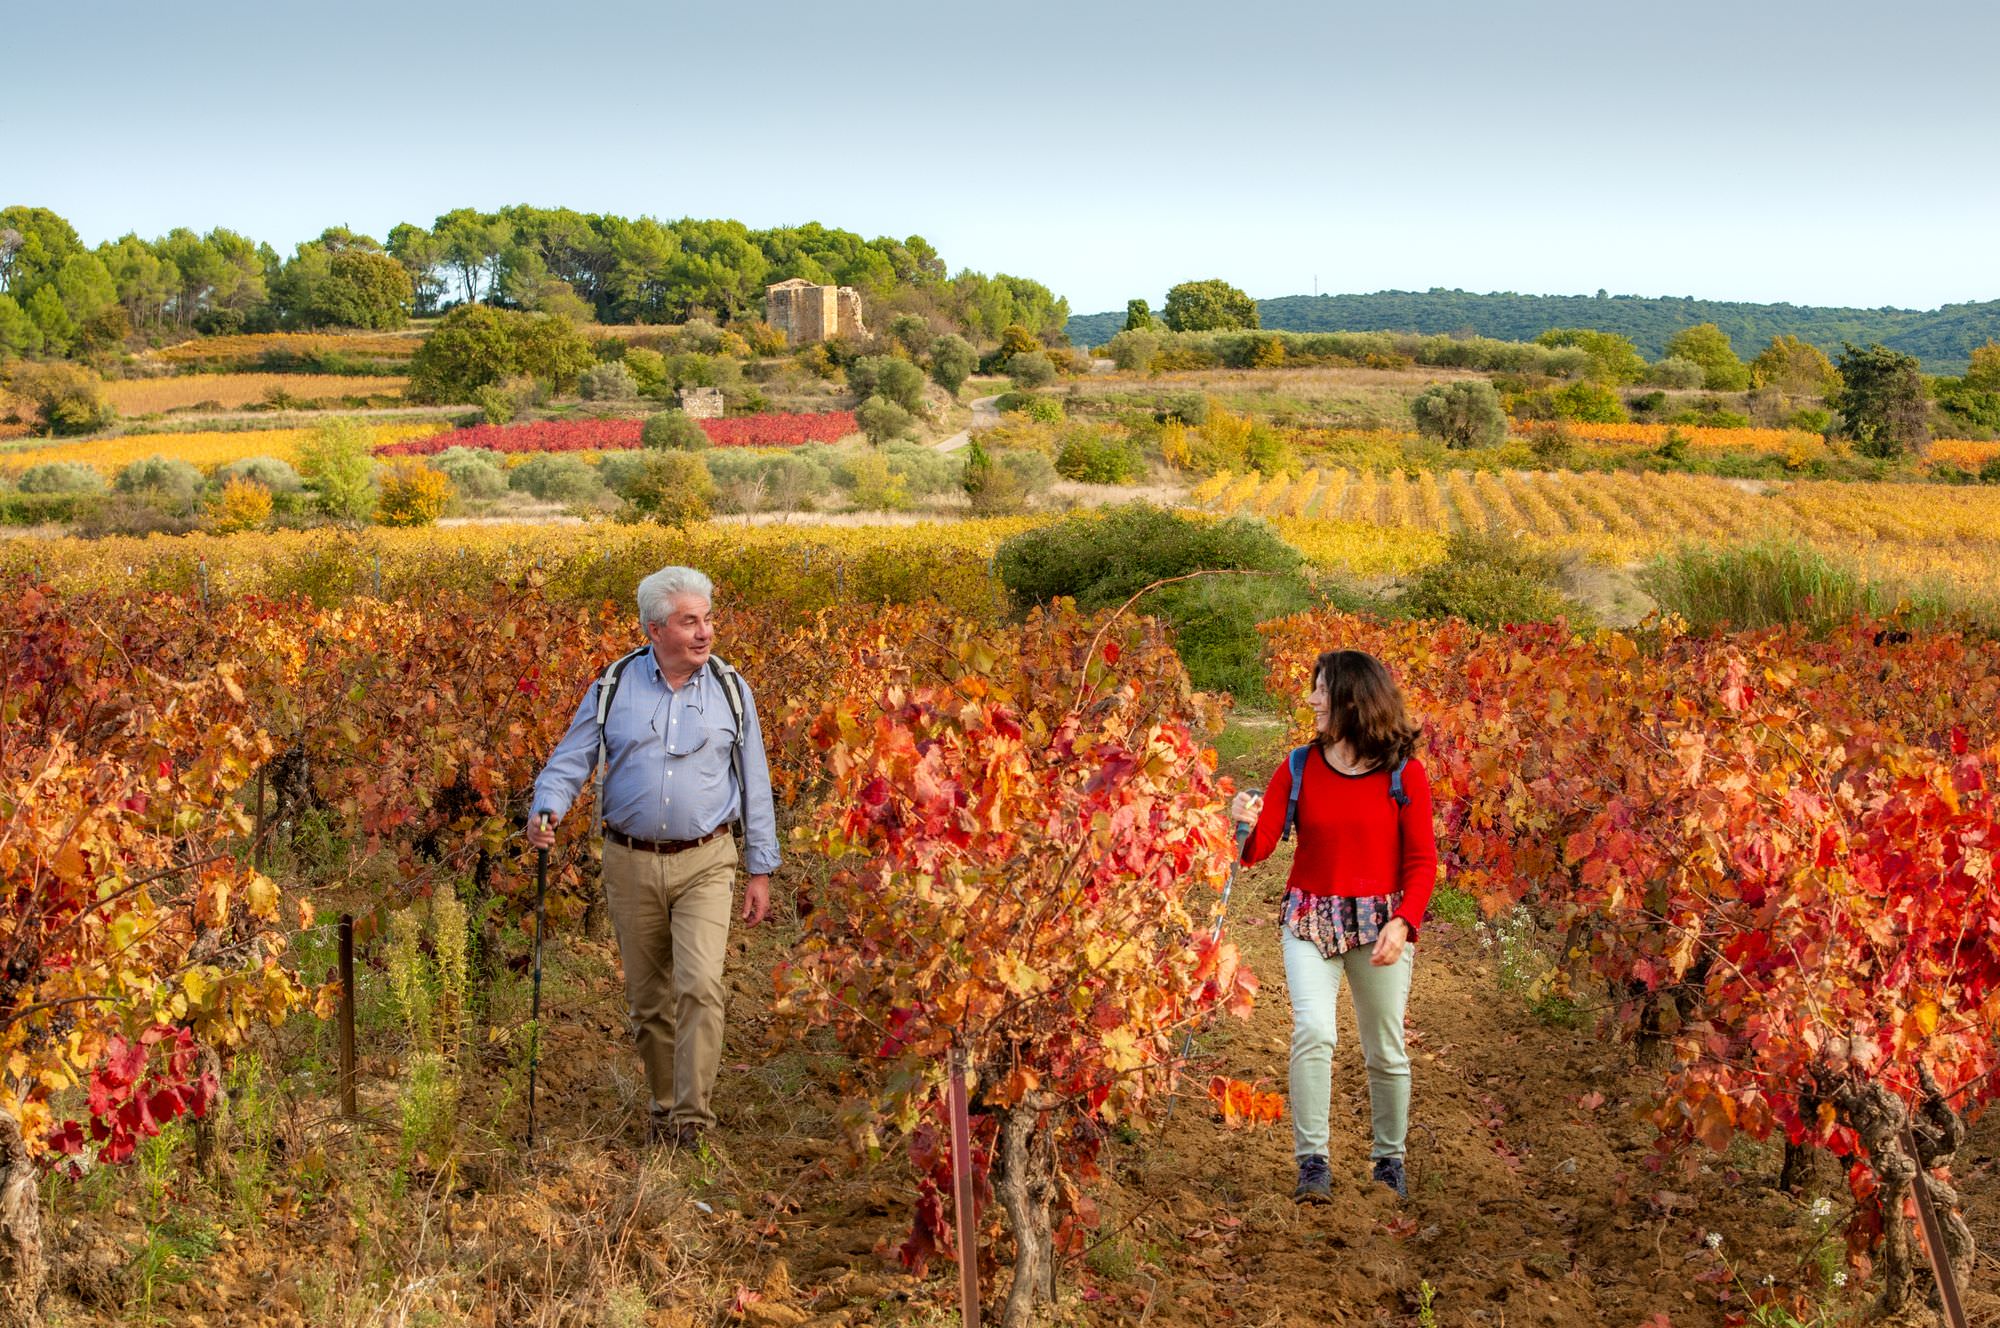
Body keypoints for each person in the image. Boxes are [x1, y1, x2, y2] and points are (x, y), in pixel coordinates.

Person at [528, 565, 779, 1148]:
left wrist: (760, 868)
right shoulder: (613, 685)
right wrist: (547, 809)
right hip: (629, 861)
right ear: (654, 629)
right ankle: (665, 1107)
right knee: (648, 1001)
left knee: (699, 986)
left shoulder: (732, 691)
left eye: (708, 618)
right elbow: (572, 760)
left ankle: (692, 1120)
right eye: (689, 621)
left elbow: (756, 784)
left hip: (708, 860)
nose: (704, 632)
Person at [1231, 649, 1437, 1203]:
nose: (1311, 700)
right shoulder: (1298, 767)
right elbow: (1258, 849)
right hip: (1310, 918)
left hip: (1379, 922)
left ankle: (1388, 1160)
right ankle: (1312, 1162)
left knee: (1385, 1049)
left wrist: (1404, 922)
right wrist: (1240, 823)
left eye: (1320, 689)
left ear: (1350, 697)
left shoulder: (1404, 774)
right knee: (1315, 1032)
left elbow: (1422, 862)